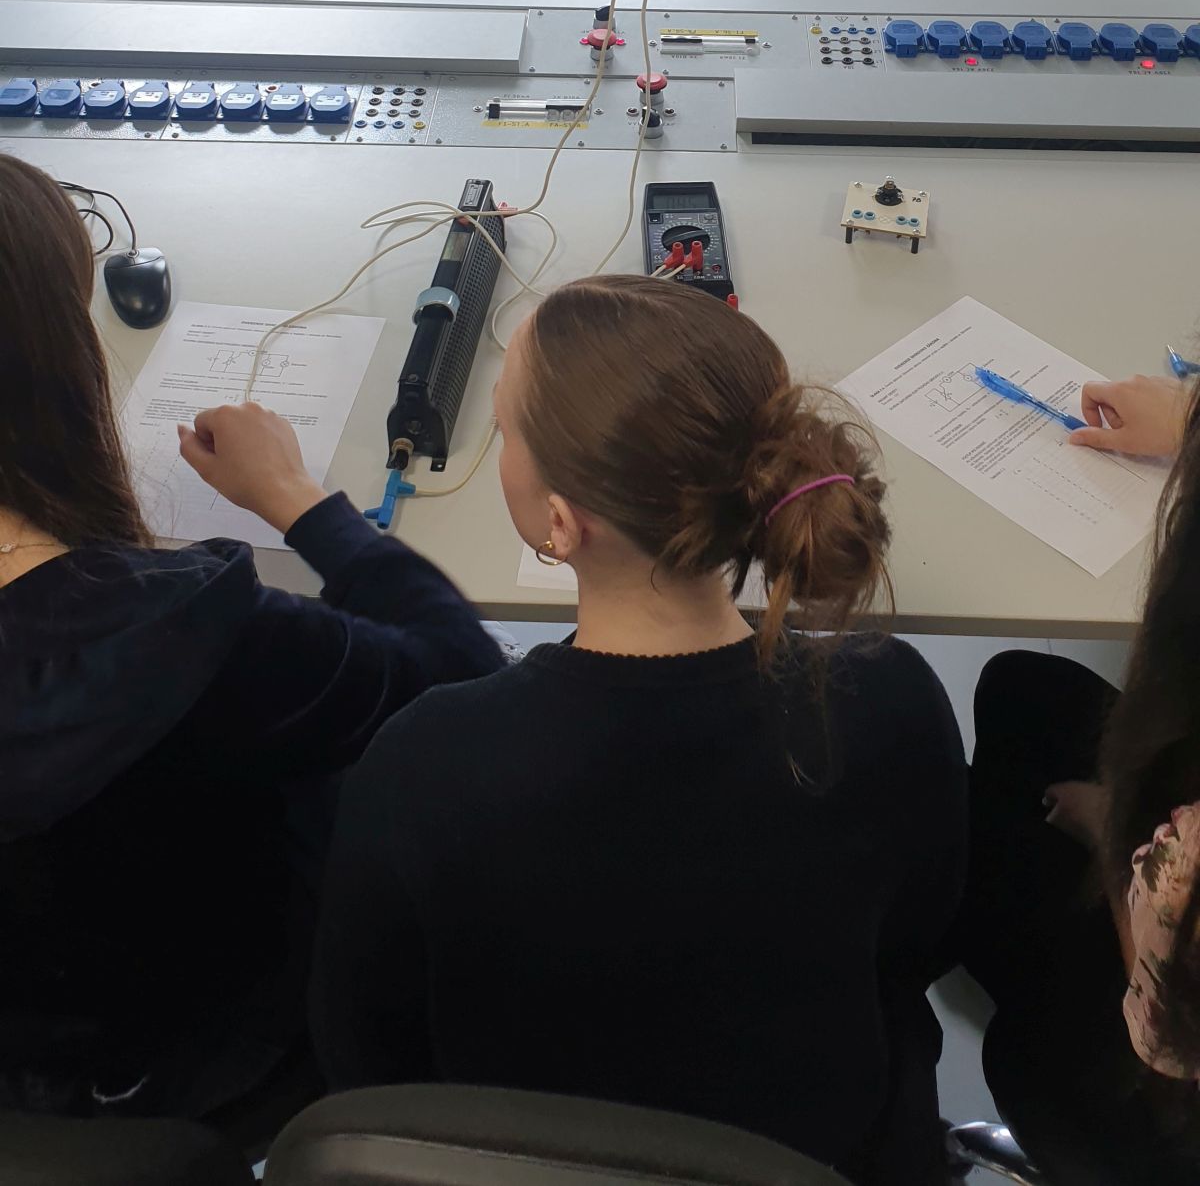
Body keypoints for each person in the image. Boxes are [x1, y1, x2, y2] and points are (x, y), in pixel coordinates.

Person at [311, 275, 967, 1186]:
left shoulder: (425, 765)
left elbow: (366, 1062)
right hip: (830, 1153)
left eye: (504, 429)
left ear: (559, 524)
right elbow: (921, 943)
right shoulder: (890, 699)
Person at [0, 152, 504, 1121]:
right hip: (218, 1052)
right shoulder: (180, 632)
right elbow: (458, 679)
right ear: (53, 359)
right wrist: (301, 501)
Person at [964, 369, 1200, 1186]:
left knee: (982, 835)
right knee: (1023, 687)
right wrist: (1190, 416)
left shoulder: (1186, 865)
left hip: (1162, 1089)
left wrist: (1120, 831)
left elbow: (1167, 1009)